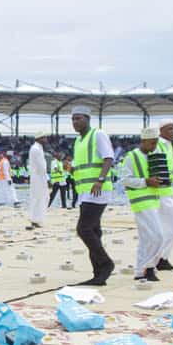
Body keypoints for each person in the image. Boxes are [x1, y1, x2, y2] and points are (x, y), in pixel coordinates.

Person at [70, 106, 115, 286]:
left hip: (97, 189)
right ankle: (98, 274)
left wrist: (100, 179)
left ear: (87, 119)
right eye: (73, 119)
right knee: (94, 230)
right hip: (84, 191)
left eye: (78, 118)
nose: (75, 122)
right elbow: (82, 166)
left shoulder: (98, 135)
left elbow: (108, 158)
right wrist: (72, 170)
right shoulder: (78, 141)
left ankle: (106, 264)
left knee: (84, 229)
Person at [119, 126, 166, 282]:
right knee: (158, 236)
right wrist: (145, 182)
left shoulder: (154, 156)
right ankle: (149, 267)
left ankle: (141, 271)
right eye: (152, 143)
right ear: (144, 141)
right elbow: (124, 180)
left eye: (156, 143)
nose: (154, 146)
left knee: (146, 238)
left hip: (153, 200)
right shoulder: (131, 156)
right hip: (141, 202)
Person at [154, 123, 173, 271]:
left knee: (169, 227)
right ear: (161, 131)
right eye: (170, 129)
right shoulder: (157, 144)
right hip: (160, 193)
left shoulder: (168, 146)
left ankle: (162, 258)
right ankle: (157, 258)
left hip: (168, 192)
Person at [26, 136, 48, 230]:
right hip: (38, 176)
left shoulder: (38, 148)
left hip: (39, 176)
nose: (46, 140)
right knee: (38, 198)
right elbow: (41, 166)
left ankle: (37, 219)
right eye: (44, 138)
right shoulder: (36, 149)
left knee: (41, 197)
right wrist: (46, 178)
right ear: (39, 139)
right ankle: (35, 219)